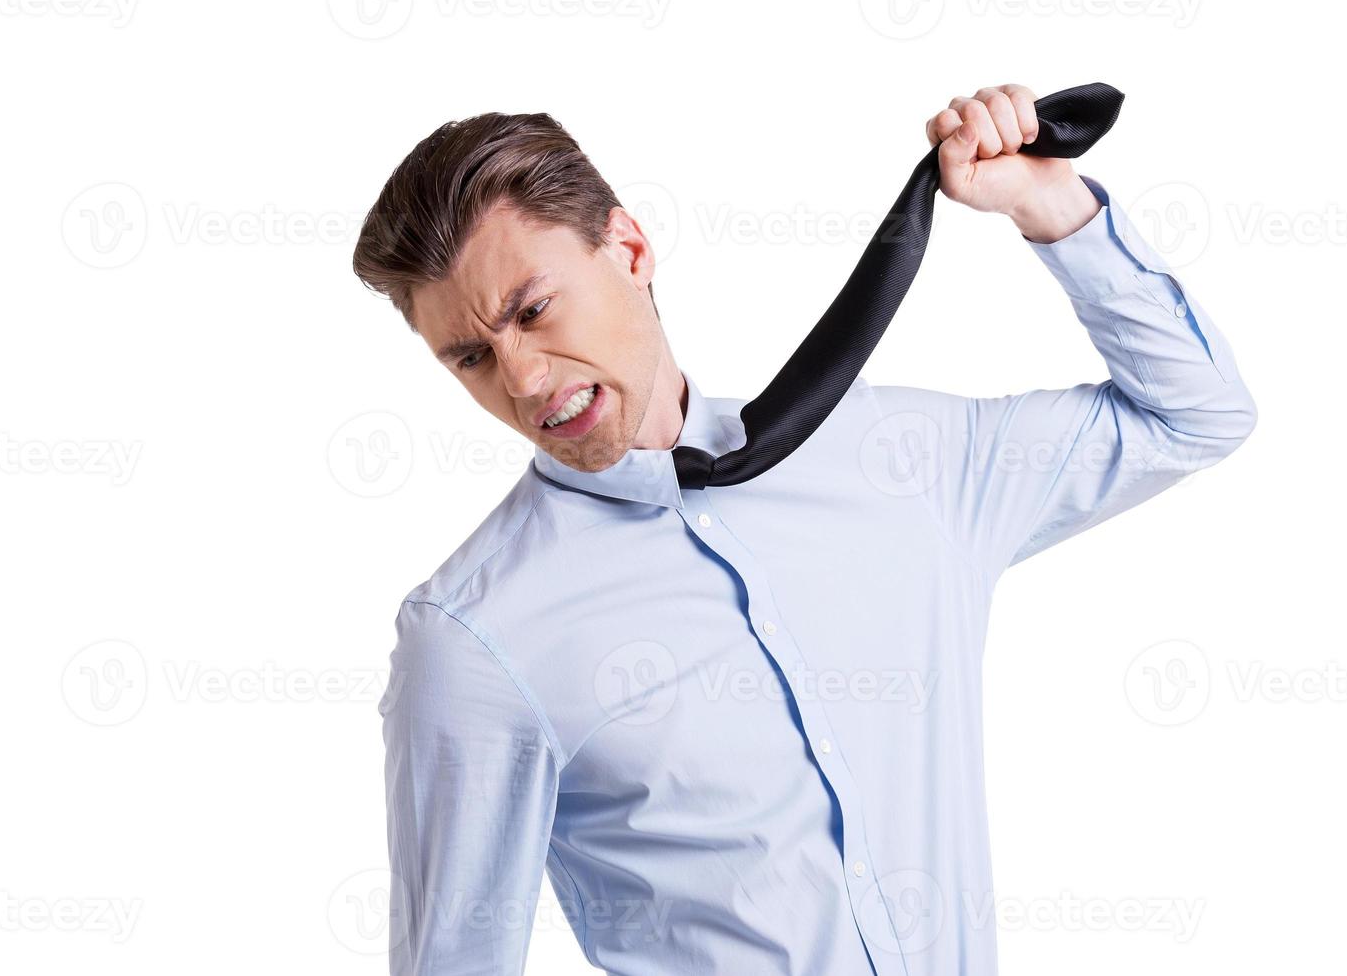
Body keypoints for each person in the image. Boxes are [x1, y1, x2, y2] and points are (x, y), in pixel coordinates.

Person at [351, 82, 1256, 976]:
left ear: (628, 249)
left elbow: (1193, 415)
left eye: (534, 310)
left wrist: (1047, 202)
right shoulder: (473, 638)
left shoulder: (902, 464)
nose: (521, 378)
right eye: (470, 357)